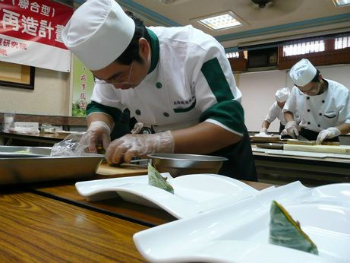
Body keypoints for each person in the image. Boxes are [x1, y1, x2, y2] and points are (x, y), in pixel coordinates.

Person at [62, 0, 257, 181]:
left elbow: (229, 125)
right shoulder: (112, 70)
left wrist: (154, 143)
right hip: (166, 161)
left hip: (220, 159)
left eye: (118, 77)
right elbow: (103, 105)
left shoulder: (197, 50)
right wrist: (98, 127)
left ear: (143, 48)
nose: (115, 86)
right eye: (103, 79)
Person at [283, 58, 350, 144]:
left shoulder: (341, 93)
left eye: (312, 89)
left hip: (328, 139)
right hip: (304, 137)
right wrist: (290, 123)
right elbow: (288, 110)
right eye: (303, 91)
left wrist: (334, 131)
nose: (308, 94)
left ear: (320, 77)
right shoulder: (296, 90)